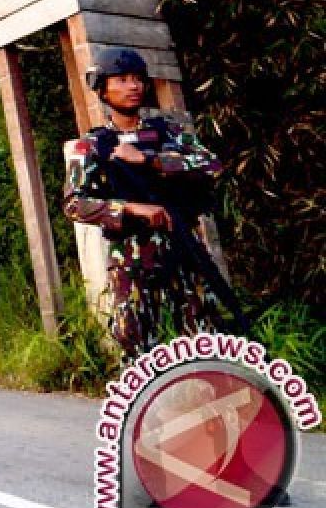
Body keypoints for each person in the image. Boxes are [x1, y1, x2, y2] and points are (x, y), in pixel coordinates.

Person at [63, 47, 227, 361]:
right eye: (122, 80)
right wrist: (129, 209)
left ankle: (208, 402)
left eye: (137, 79)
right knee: (132, 339)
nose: (133, 86)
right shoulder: (94, 145)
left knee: (204, 335)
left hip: (182, 244)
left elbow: (212, 167)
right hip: (131, 253)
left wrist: (151, 161)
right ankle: (147, 407)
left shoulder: (169, 133)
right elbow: (74, 203)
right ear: (103, 89)